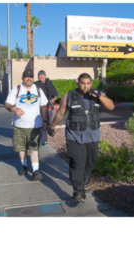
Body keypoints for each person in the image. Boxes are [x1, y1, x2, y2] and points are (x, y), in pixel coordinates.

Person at [48, 73, 114, 205]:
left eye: (88, 83)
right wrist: (52, 127)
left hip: (92, 136)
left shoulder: (97, 95)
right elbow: (61, 112)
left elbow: (111, 106)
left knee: (91, 161)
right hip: (74, 136)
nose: (85, 86)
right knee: (77, 163)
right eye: (83, 83)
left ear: (91, 83)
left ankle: (86, 177)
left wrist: (100, 95)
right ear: (78, 83)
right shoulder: (69, 95)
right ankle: (78, 190)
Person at [4, 69, 49, 181]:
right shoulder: (17, 90)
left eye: (31, 77)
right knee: (22, 148)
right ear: (22, 77)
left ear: (33, 78)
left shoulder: (38, 90)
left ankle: (35, 171)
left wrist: (45, 121)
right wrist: (14, 109)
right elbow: (7, 104)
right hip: (19, 126)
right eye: (26, 76)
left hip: (35, 126)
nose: (29, 78)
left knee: (34, 149)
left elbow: (44, 105)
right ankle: (24, 166)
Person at [34, 70, 58, 146]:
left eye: (43, 75)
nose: (41, 77)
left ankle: (44, 140)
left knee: (46, 122)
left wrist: (52, 101)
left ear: (45, 76)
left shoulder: (49, 84)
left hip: (47, 107)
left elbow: (56, 95)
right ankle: (36, 139)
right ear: (38, 76)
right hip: (37, 107)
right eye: (40, 75)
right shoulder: (35, 85)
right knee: (38, 123)